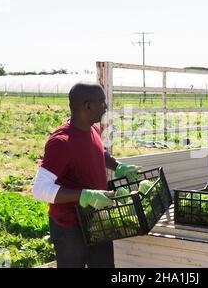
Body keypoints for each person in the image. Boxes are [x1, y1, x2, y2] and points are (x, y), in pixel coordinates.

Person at [32, 83, 141, 268]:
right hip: (70, 228)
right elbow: (40, 190)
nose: (106, 106)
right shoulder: (61, 142)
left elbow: (99, 151)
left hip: (97, 221)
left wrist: (118, 167)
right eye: (102, 102)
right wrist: (84, 195)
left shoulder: (92, 129)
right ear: (87, 106)